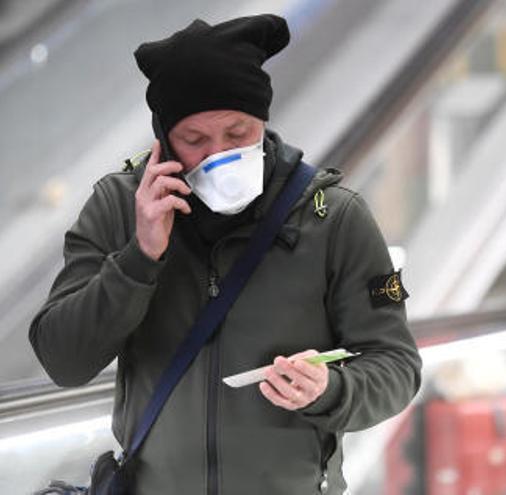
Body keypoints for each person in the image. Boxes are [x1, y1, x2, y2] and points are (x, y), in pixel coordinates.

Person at [28, 15, 421, 494]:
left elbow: (397, 364)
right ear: (164, 141)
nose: (221, 153)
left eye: (238, 133)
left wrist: (331, 390)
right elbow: (63, 360)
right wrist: (141, 256)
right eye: (195, 141)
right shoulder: (118, 207)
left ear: (263, 123)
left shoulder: (334, 218)